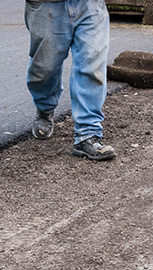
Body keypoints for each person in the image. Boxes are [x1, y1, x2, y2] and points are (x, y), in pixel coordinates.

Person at [25, 0, 116, 161]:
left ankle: (87, 134)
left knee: (92, 65)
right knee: (44, 69)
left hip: (90, 4)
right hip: (47, 4)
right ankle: (44, 107)